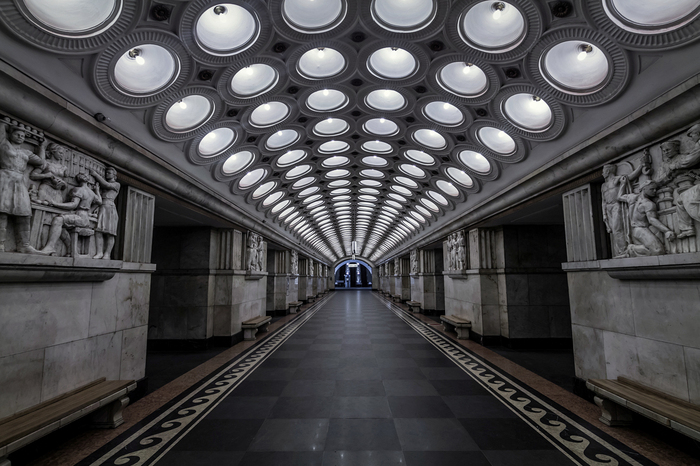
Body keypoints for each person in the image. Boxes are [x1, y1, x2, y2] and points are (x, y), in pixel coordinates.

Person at [0, 118, 47, 253]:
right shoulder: (4, 144)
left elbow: (41, 163)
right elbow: (2, 129)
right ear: (10, 134)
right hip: (4, 178)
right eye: (17, 134)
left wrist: (42, 147)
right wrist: (5, 122)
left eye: (23, 136)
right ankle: (1, 244)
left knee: (24, 213)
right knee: (2, 211)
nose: (20, 137)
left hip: (19, 181)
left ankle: (24, 245)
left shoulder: (26, 152)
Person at [39, 172, 101, 256]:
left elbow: (73, 205)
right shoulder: (91, 193)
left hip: (80, 216)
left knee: (58, 220)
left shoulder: (78, 190)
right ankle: (70, 249)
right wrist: (97, 192)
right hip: (84, 218)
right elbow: (99, 202)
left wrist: (54, 203)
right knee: (61, 226)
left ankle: (50, 247)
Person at [617, 180, 675, 256]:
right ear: (644, 189)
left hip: (635, 230)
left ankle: (635, 248)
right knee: (658, 251)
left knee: (657, 250)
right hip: (641, 229)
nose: (655, 191)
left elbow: (619, 197)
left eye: (655, 189)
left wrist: (622, 184)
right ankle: (632, 249)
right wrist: (667, 231)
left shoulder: (631, 197)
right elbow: (652, 220)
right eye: (652, 189)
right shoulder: (648, 204)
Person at [90, 167, 120, 260]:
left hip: (110, 208)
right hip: (102, 207)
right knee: (98, 231)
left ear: (114, 175)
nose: (107, 174)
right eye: (106, 173)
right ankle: (99, 252)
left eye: (109, 173)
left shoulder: (116, 184)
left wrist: (95, 174)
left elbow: (106, 184)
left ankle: (107, 254)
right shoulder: (104, 187)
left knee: (110, 233)